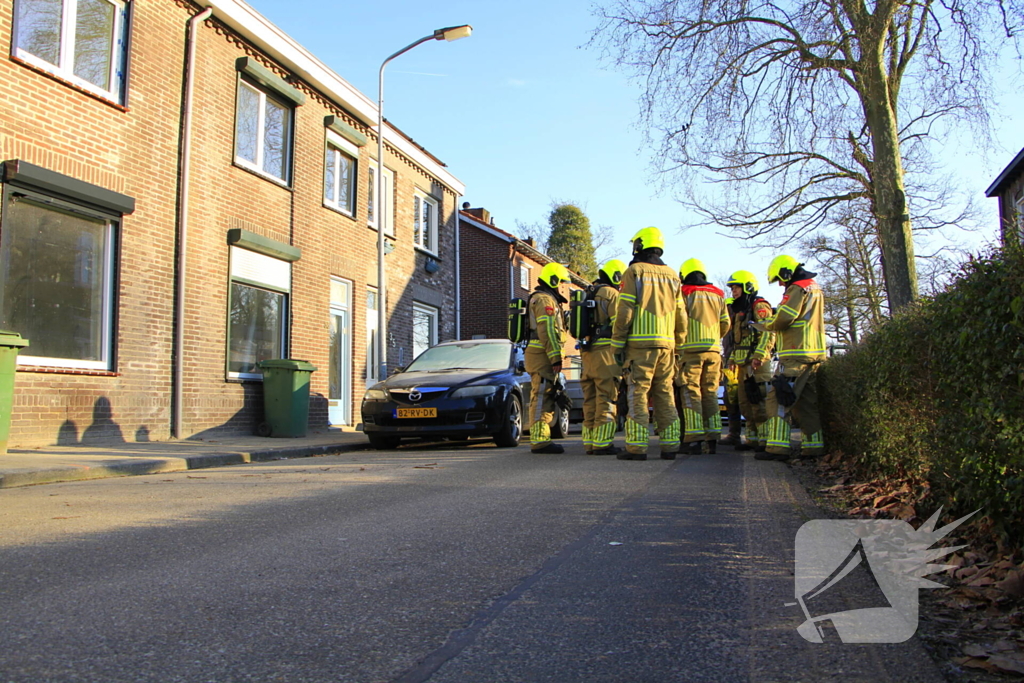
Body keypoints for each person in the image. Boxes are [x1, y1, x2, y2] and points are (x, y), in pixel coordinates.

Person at [610, 227, 688, 460]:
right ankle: (670, 446)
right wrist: (680, 345)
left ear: (640, 246)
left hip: (639, 346)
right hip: (668, 346)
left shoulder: (634, 271)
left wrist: (617, 344)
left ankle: (637, 448)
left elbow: (624, 311)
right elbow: (681, 314)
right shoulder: (674, 275)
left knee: (638, 394)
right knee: (665, 394)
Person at [754, 255, 826, 461]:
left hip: (796, 354)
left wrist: (768, 324)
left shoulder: (797, 288)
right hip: (814, 354)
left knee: (777, 398)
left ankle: (777, 448)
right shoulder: (814, 287)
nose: (781, 284)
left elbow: (785, 317)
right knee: (806, 403)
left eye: (780, 279)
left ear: (786, 272)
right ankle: (813, 447)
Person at [677, 259, 731, 455]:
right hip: (714, 351)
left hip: (690, 351)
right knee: (710, 393)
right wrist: (715, 339)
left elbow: (679, 319)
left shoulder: (685, 292)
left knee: (691, 392)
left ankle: (694, 439)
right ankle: (713, 437)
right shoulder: (718, 294)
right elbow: (726, 323)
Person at [580, 259, 626, 456]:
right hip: (606, 353)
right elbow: (619, 326)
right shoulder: (612, 294)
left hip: (587, 354)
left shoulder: (587, 292)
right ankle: (603, 443)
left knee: (590, 399)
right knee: (606, 397)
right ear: (616, 276)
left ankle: (589, 442)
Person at [725, 270, 775, 451]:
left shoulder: (759, 306)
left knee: (758, 402)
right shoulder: (741, 311)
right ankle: (752, 440)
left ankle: (765, 441)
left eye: (737, 287)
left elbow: (768, 332)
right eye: (732, 288)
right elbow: (738, 341)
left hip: (757, 365)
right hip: (742, 365)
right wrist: (732, 358)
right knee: (745, 404)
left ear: (748, 287)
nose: (734, 291)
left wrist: (759, 356)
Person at [525, 262, 571, 454]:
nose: (561, 287)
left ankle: (543, 437)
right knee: (542, 395)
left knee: (547, 395)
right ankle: (539, 440)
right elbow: (547, 331)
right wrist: (555, 358)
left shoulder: (547, 299)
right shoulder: (544, 300)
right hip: (542, 355)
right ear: (552, 280)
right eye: (560, 282)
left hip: (542, 354)